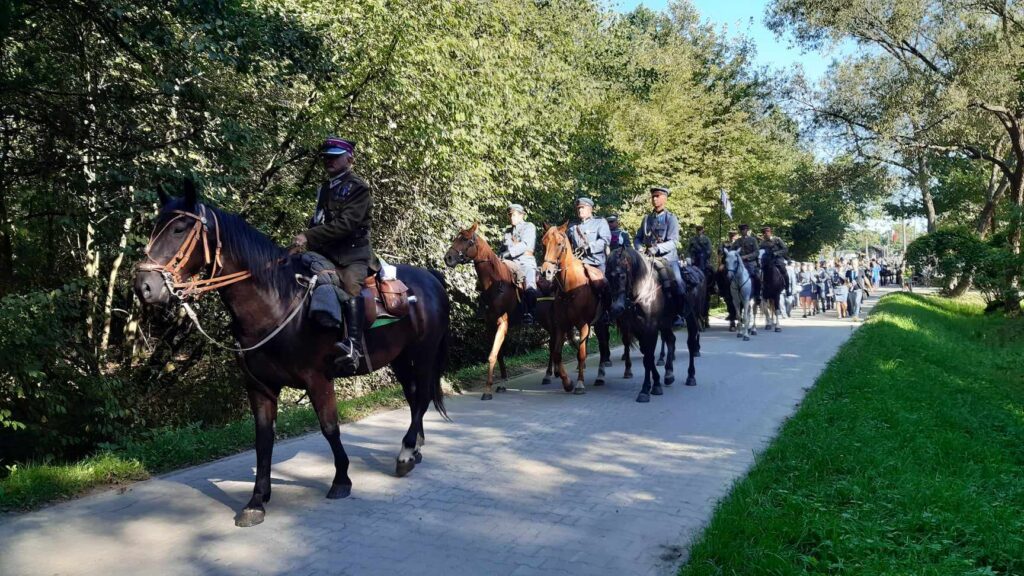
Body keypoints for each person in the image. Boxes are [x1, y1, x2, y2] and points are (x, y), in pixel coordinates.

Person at [295, 136, 375, 373]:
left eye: (334, 157)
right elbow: (320, 220)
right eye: (326, 157)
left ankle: (353, 347)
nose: (328, 161)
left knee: (351, 286)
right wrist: (304, 243)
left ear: (349, 159)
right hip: (325, 253)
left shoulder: (358, 187)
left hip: (352, 255)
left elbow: (346, 224)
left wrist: (309, 236)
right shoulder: (325, 188)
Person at [634, 186, 684, 300]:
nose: (654, 199)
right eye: (653, 197)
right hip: (647, 258)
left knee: (678, 283)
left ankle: (679, 315)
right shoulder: (647, 219)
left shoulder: (671, 218)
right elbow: (637, 238)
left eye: (657, 196)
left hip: (667, 259)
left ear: (665, 199)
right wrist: (639, 248)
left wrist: (657, 248)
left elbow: (674, 242)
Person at [500, 203, 538, 324]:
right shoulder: (507, 231)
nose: (511, 217)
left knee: (529, 285)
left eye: (514, 215)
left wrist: (508, 252)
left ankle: (529, 313)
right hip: (509, 263)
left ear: (522, 215)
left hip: (525, 262)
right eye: (510, 215)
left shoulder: (529, 227)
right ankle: (485, 308)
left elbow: (525, 244)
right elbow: (502, 249)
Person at [759, 226, 790, 295]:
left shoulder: (777, 240)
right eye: (764, 233)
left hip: (777, 259)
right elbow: (760, 251)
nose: (766, 234)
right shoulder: (762, 243)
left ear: (770, 232)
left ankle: (787, 288)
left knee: (783, 269)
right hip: (766, 260)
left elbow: (785, 249)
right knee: (759, 271)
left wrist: (776, 253)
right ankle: (761, 288)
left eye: (767, 232)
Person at [731, 223, 760, 296]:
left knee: (757, 277)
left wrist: (746, 257)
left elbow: (756, 252)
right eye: (742, 230)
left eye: (744, 229)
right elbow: (732, 251)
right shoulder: (737, 241)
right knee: (729, 275)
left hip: (751, 263)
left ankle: (757, 295)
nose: (743, 231)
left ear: (747, 230)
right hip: (740, 263)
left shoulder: (753, 240)